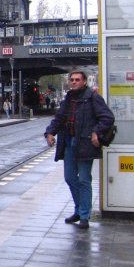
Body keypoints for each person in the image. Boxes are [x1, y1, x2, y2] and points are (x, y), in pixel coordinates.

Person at [44, 70, 114, 229]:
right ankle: (79, 209)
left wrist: (96, 131)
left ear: (84, 82)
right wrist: (50, 132)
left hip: (85, 143)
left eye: (77, 80)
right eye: (72, 80)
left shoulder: (92, 97)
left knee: (84, 179)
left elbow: (107, 117)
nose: (74, 82)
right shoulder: (68, 98)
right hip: (68, 142)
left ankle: (84, 215)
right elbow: (59, 118)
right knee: (69, 177)